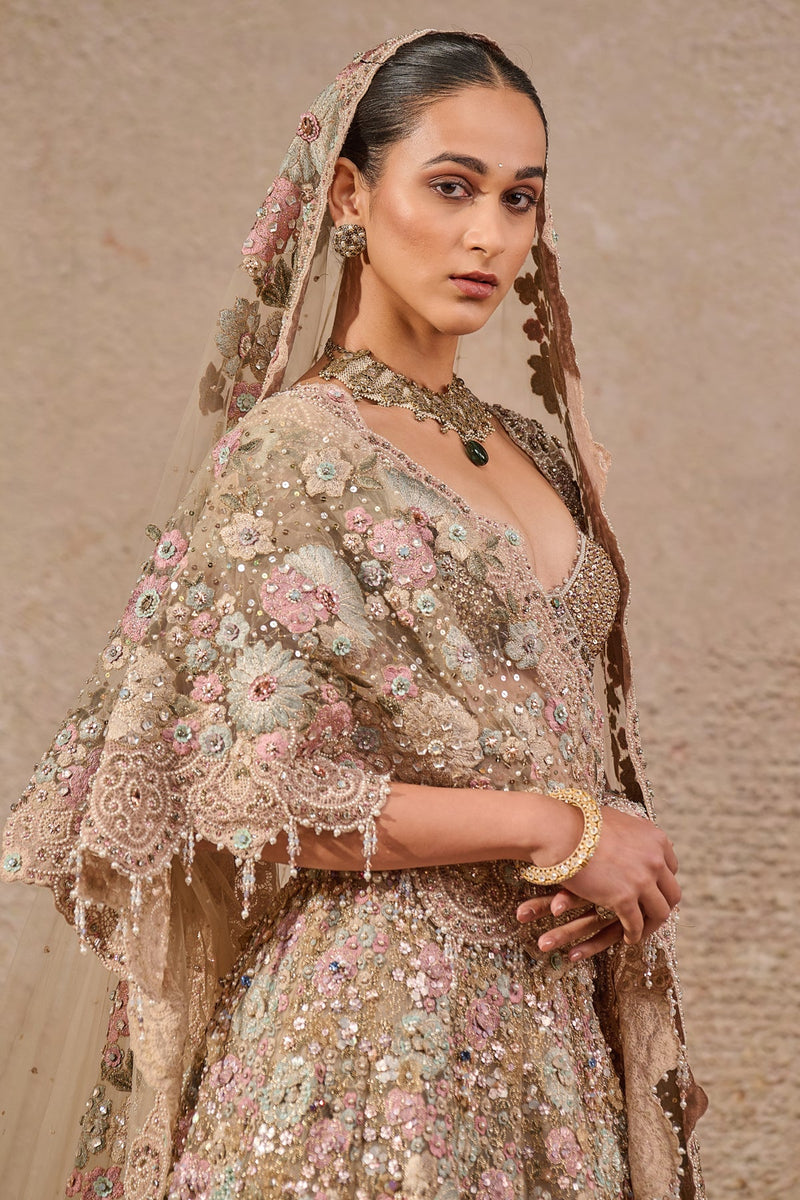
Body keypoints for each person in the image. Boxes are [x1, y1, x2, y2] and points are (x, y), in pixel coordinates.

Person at [1, 30, 707, 1200]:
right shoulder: (292, 453)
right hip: (368, 1042)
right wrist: (552, 827)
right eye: (451, 187)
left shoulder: (535, 450)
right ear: (346, 194)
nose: (489, 236)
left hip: (547, 1043)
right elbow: (256, 794)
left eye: (518, 198)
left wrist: (598, 861)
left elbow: (564, 733)